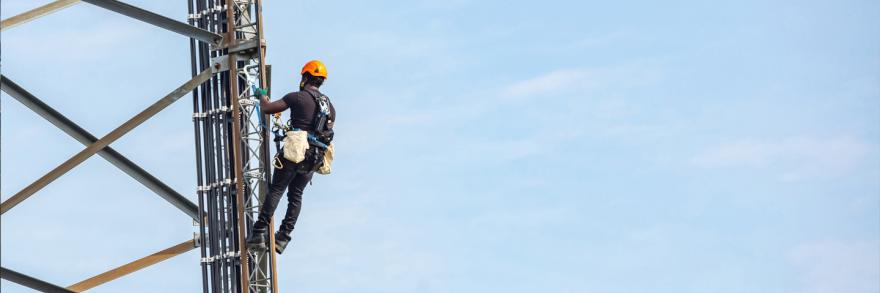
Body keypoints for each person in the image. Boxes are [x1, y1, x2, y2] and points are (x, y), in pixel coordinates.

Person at [246, 60, 336, 254]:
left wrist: (262, 97)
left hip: (296, 152)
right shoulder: (330, 107)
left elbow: (267, 109)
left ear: (305, 77)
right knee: (296, 195)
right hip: (314, 157)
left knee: (277, 189)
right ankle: (283, 237)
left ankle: (258, 232)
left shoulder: (297, 97)